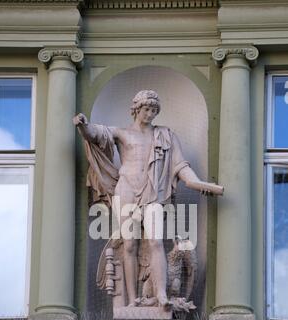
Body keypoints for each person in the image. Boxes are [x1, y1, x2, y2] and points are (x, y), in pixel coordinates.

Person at [73, 90, 223, 308]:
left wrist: (198, 184)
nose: (150, 114)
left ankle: (161, 295)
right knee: (130, 244)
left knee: (155, 241)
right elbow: (96, 134)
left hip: (154, 192)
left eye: (154, 110)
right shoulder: (123, 133)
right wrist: (82, 125)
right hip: (126, 188)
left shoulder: (166, 135)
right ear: (136, 109)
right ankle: (133, 299)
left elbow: (181, 166)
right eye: (146, 109)